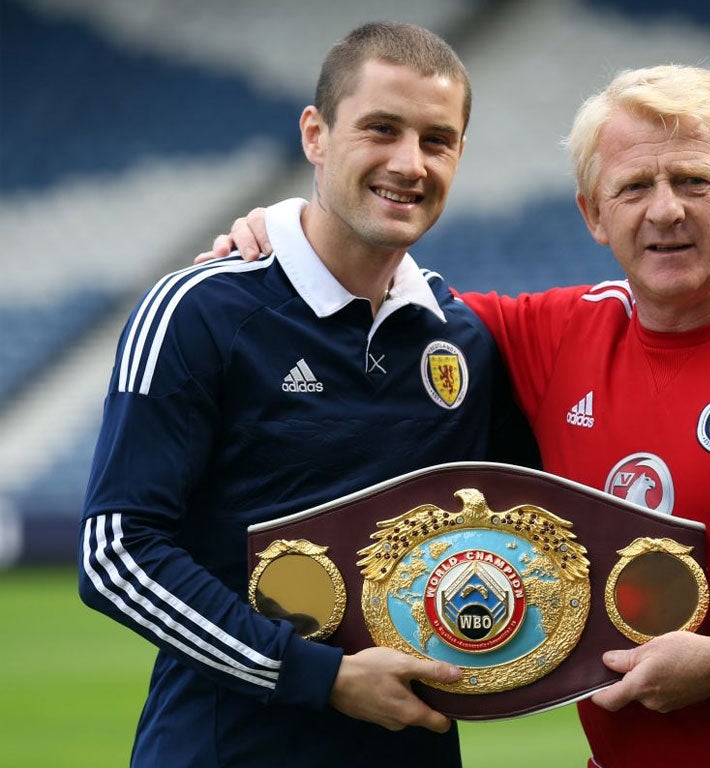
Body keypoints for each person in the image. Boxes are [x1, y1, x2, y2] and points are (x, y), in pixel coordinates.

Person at [205, 65, 710, 766]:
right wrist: (288, 231)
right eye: (633, 187)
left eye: (693, 181)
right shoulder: (553, 333)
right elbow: (385, 290)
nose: (664, 210)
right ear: (593, 215)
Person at [79, 22, 538, 768]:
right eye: (381, 129)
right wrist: (321, 679)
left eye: (437, 139)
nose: (409, 163)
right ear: (316, 136)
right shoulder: (201, 310)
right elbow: (117, 554)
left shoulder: (467, 340)